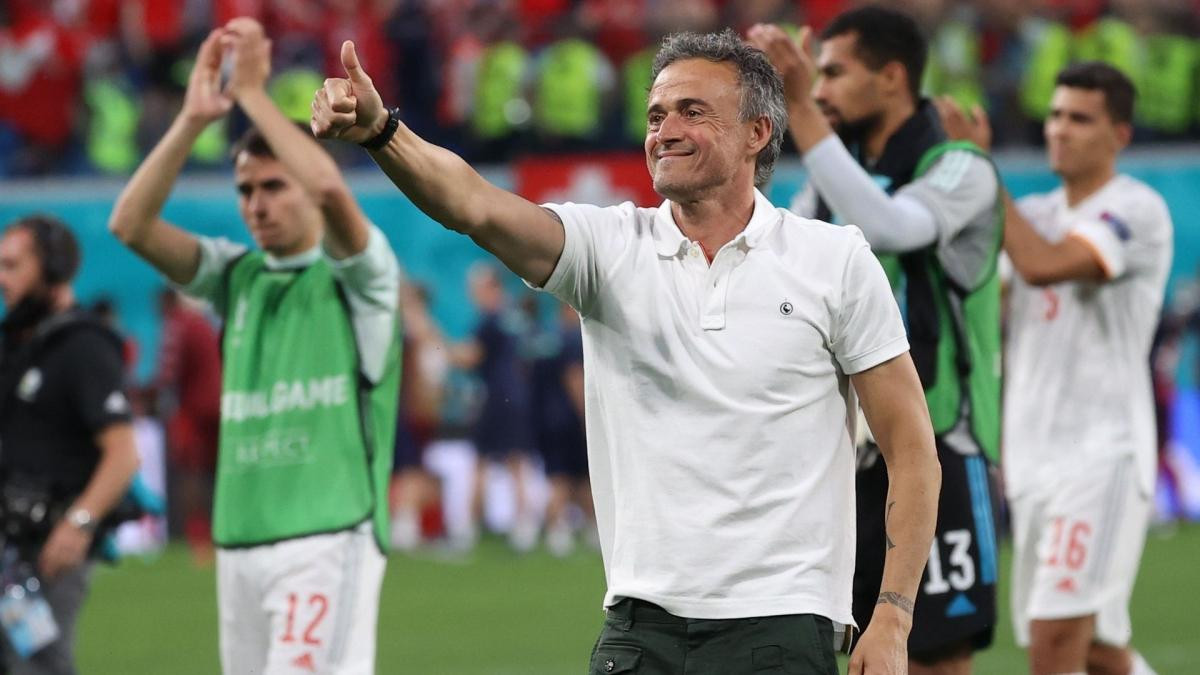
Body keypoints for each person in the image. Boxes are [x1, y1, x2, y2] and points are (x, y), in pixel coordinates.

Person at [314, 27, 940, 673]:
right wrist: (383, 133)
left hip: (780, 627)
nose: (665, 130)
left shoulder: (834, 260)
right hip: (639, 631)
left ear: (757, 132)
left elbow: (911, 447)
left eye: (692, 111)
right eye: (656, 115)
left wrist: (893, 615)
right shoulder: (609, 248)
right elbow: (473, 205)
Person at [108, 18, 401, 675]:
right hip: (240, 541)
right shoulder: (234, 276)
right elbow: (130, 224)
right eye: (245, 190)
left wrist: (252, 96)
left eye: (273, 186)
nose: (256, 205)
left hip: (328, 536)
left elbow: (330, 188)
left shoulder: (363, 278)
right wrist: (192, 119)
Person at [749, 8, 1003, 673]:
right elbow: (768, 254)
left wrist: (803, 112)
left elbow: (892, 226)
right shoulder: (831, 183)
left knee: (928, 661)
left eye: (834, 73)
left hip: (937, 444)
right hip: (843, 459)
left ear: (891, 78)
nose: (820, 89)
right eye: (815, 78)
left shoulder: (961, 166)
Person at [938, 62, 1169, 675]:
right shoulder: (1035, 212)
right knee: (1092, 647)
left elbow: (1042, 266)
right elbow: (985, 296)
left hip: (1101, 452)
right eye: (1056, 115)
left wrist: (983, 174)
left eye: (1081, 119)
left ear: (1120, 134)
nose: (1060, 129)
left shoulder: (1135, 209)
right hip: (1032, 457)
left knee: (1055, 638)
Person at [0, 214, 141, 674]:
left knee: (37, 665)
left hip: (47, 550)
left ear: (54, 269)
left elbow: (123, 452)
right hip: (8, 547)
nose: (2, 279)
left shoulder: (83, 346)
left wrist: (79, 524)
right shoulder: (16, 345)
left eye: (12, 266)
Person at [449, 263, 538, 552]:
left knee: (481, 461)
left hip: (496, 398)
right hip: (518, 396)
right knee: (517, 461)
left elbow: (470, 358)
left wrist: (440, 345)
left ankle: (468, 530)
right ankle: (524, 527)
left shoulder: (490, 318)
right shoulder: (515, 317)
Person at [153, 288, 221, 564]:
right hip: (220, 403)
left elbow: (169, 371)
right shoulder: (203, 323)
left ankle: (199, 538)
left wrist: (150, 395)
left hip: (196, 409)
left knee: (190, 474)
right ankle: (220, 535)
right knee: (215, 473)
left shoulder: (179, 323)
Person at [528, 300, 592, 557]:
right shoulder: (573, 338)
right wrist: (586, 415)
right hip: (568, 418)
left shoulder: (543, 340)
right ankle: (560, 529)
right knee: (572, 477)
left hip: (544, 418)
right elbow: (574, 377)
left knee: (564, 475)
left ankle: (578, 528)